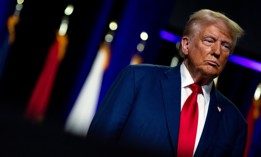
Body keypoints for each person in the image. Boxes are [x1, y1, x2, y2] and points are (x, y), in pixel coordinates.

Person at [86, 9, 247, 157]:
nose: (217, 51)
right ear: (186, 45)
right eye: (209, 40)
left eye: (225, 46)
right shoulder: (138, 80)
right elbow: (97, 143)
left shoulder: (234, 123)